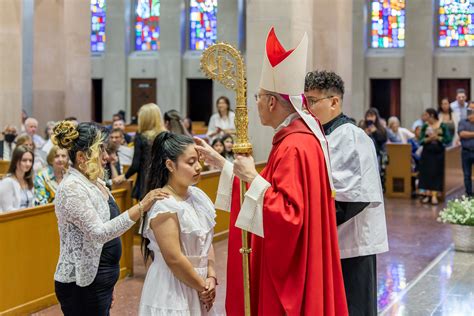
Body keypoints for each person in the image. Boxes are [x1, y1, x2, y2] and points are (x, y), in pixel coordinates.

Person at [196, 27, 347, 316]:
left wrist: (251, 177)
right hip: (305, 262)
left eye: (258, 96)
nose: (256, 103)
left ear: (272, 101)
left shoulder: (293, 147)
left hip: (292, 273)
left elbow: (289, 215)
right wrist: (224, 165)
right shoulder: (299, 140)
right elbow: (272, 190)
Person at [51, 120, 168, 315]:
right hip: (81, 285)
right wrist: (141, 206)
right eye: (100, 151)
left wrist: (109, 283)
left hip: (99, 282)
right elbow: (99, 233)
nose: (106, 157)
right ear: (81, 157)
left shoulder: (94, 181)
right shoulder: (72, 188)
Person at [304, 70, 388, 316]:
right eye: (305, 101)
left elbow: (355, 196)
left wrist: (312, 225)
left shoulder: (350, 135)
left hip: (353, 242)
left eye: (312, 101)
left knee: (354, 307)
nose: (307, 108)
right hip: (334, 240)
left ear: (334, 101)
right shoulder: (324, 134)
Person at [139, 132, 217, 314]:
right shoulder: (164, 204)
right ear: (170, 165)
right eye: (190, 163)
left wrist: (211, 275)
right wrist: (202, 286)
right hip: (173, 284)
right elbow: (173, 258)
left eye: (198, 160)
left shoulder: (197, 195)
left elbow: (206, 241)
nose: (198, 167)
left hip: (201, 282)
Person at [113, 103, 166, 200]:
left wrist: (124, 176)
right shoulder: (166, 135)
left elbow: (136, 165)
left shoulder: (141, 136)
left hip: (146, 181)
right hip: (164, 180)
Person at [418, 108, 452, 205]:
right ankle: (427, 195)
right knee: (426, 173)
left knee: (436, 173)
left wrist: (438, 137)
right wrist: (428, 139)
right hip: (427, 152)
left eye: (426, 115)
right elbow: (420, 140)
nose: (424, 117)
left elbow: (448, 139)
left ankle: (434, 195)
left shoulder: (442, 125)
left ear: (432, 115)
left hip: (438, 153)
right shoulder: (425, 126)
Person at [0, 145, 35, 212]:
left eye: (30, 161)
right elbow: (7, 210)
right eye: (24, 160)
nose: (28, 164)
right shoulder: (7, 182)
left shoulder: (29, 180)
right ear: (16, 161)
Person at [458, 102, 474, 196]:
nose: (472, 111)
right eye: (470, 109)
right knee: (467, 175)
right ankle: (469, 194)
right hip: (466, 152)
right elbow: (462, 134)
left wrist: (469, 134)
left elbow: (465, 134)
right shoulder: (463, 122)